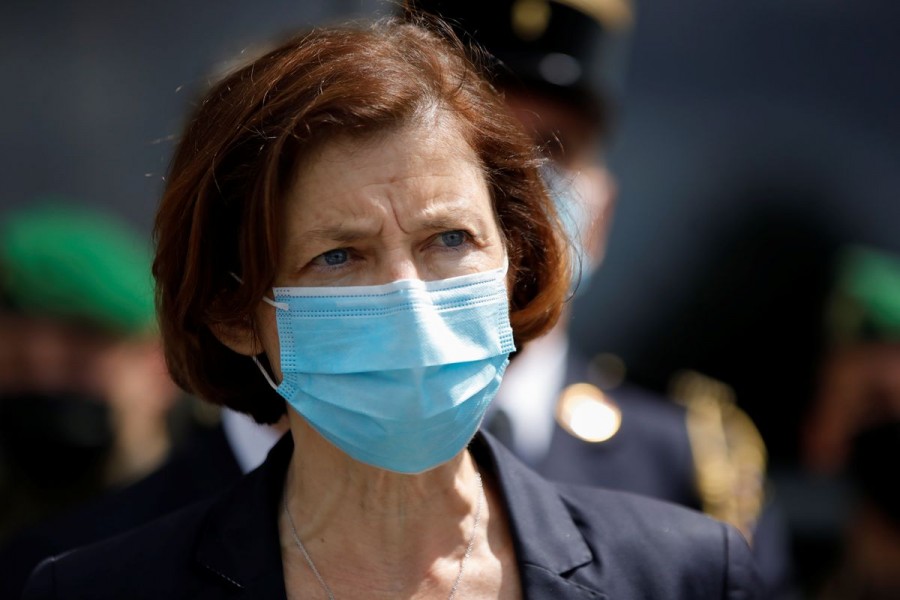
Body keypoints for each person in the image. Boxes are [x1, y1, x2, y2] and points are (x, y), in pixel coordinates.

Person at [23, 17, 761, 598]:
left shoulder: (687, 575)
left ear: (516, 259)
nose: (411, 297)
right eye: (339, 255)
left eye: (450, 238)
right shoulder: (95, 586)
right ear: (234, 310)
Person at [403, 4, 793, 593]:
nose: (521, 183)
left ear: (601, 216)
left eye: (554, 149)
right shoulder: (331, 428)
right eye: (483, 147)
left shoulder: (684, 467)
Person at [0, 204, 182, 541]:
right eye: (18, 364)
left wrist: (139, 460)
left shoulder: (218, 492)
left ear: (159, 364)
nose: (47, 384)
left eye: (75, 364)